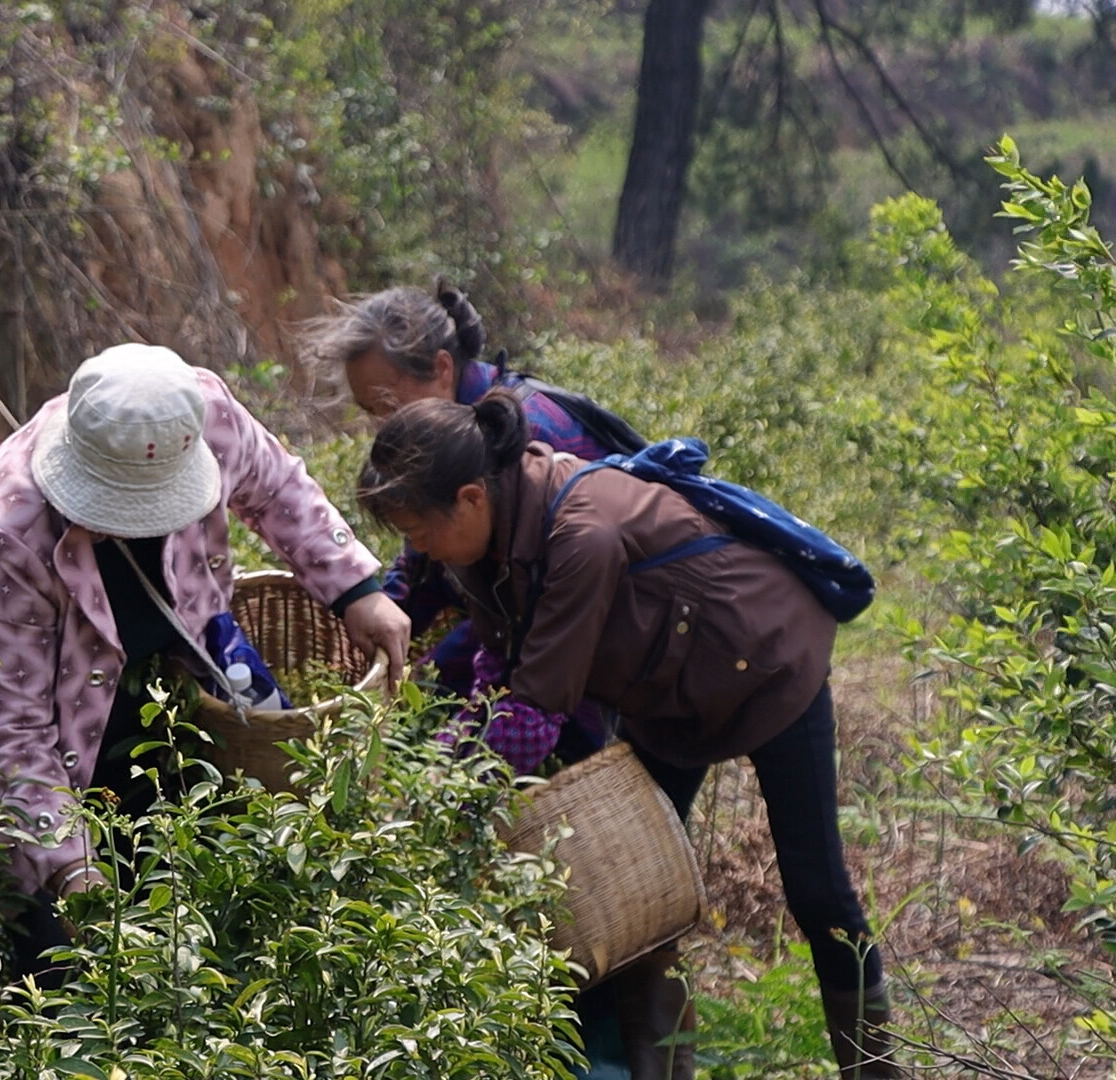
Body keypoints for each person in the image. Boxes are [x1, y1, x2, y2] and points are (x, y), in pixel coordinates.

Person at [356, 390, 898, 1080]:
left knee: (816, 887)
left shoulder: (583, 533)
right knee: (627, 892)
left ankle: (875, 1070)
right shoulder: (481, 540)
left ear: (469, 497)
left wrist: (433, 796)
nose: (419, 550)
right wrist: (442, 761)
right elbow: (499, 669)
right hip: (669, 694)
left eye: (421, 532)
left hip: (768, 661)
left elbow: (528, 714)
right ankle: (659, 1072)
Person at [0, 343, 410, 981]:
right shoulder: (7, 527)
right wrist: (71, 868)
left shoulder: (200, 412)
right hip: (32, 740)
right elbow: (9, 731)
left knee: (196, 887)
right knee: (60, 963)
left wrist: (357, 590)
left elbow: (278, 488)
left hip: (156, 682)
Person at [299, 283, 622, 705]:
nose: (383, 424)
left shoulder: (524, 435)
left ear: (443, 368)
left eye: (388, 403)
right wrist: (376, 619)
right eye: (371, 412)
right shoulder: (444, 437)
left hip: (603, 630)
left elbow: (525, 612)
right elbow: (422, 561)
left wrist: (428, 681)